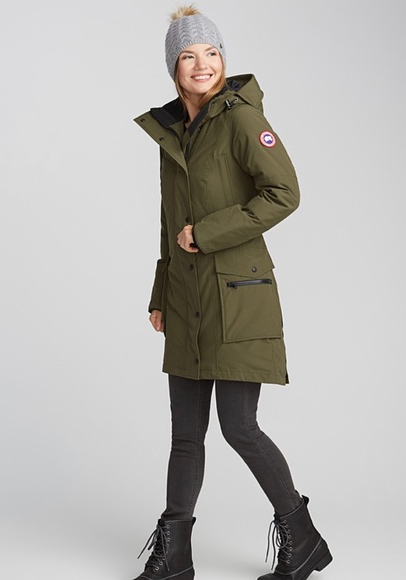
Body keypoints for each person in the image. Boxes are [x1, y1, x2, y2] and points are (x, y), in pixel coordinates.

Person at [132, 6, 332, 580]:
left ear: (223, 59)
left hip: (238, 296)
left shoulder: (243, 119)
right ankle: (174, 558)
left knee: (238, 426)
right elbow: (169, 223)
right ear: (173, 66)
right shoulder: (173, 133)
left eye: (212, 53)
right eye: (189, 55)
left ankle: (303, 538)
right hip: (187, 297)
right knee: (185, 435)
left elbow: (284, 192)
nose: (203, 64)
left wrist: (208, 233)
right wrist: (160, 292)